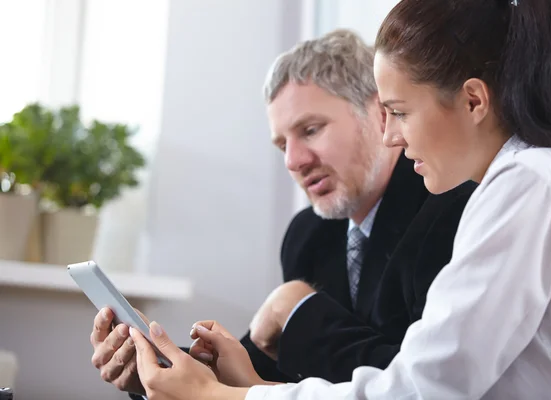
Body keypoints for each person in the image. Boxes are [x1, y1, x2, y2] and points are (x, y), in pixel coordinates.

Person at [126, 0, 551, 398]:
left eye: (398, 112)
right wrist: (236, 382)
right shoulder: (532, 181)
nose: (390, 134)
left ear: (474, 101)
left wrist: (223, 397)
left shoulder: (531, 186)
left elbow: (420, 387)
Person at [88, 29, 475, 398]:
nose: (293, 161)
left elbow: (421, 384)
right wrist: (161, 377)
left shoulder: (452, 211)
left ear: (380, 113)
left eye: (310, 130)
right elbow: (259, 380)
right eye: (281, 144)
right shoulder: (308, 235)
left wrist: (297, 309)